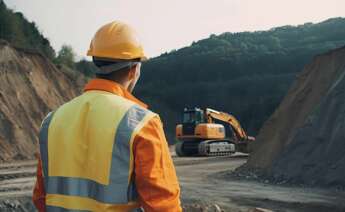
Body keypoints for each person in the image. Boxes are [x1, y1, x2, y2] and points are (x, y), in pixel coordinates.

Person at [32, 21, 182, 212]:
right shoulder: (141, 123)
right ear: (134, 70)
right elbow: (163, 204)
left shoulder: (52, 121)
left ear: (96, 62)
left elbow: (41, 197)